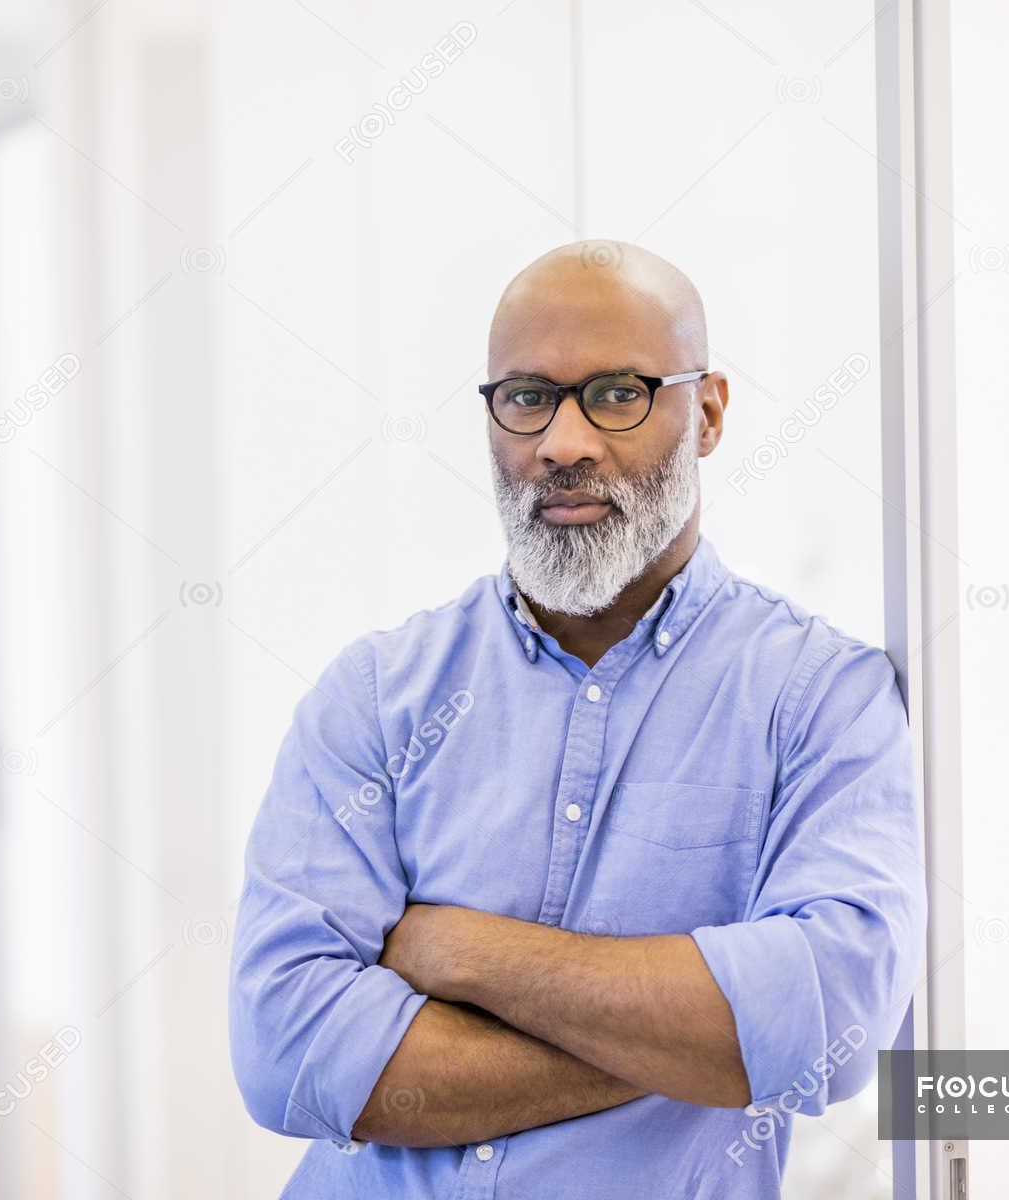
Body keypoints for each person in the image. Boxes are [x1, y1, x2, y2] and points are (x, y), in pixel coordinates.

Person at [228, 240, 927, 1199]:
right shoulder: (377, 697)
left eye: (617, 393)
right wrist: (695, 1046)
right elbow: (288, 1053)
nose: (563, 443)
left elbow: (833, 1022)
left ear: (708, 412)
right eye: (526, 397)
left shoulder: (818, 699)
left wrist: (455, 952)